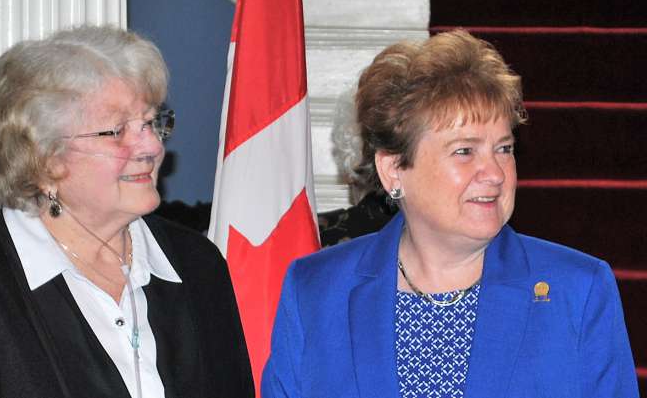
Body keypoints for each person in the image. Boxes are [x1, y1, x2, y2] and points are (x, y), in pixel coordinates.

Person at [262, 29, 637, 398]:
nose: (494, 173)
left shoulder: (578, 289)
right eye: (464, 151)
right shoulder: (316, 289)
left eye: (504, 149)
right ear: (394, 170)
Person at [0, 25, 254, 398]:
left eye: (151, 122)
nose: (151, 146)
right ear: (42, 157)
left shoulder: (197, 266)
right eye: (117, 131)